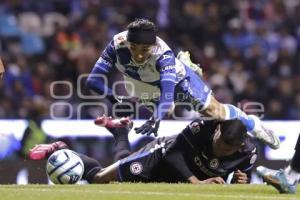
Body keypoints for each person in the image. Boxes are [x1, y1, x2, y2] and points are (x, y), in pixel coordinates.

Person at [86, 18, 279, 150]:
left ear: (152, 46)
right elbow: (93, 80)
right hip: (140, 83)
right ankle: (184, 71)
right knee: (168, 110)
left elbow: (168, 90)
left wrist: (156, 117)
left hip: (176, 80)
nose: (138, 55)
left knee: (214, 113)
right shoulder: (117, 44)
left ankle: (252, 123)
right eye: (134, 48)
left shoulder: (163, 55)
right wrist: (115, 98)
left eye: (144, 49)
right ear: (128, 42)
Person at [29, 116, 257, 184]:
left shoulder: (248, 154)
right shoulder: (201, 126)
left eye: (227, 151)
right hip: (159, 156)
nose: (220, 153)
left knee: (126, 166)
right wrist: (197, 183)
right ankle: (62, 150)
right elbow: (173, 155)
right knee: (101, 179)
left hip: (180, 179)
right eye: (219, 145)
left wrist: (240, 181)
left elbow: (232, 183)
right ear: (217, 131)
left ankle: (119, 132)